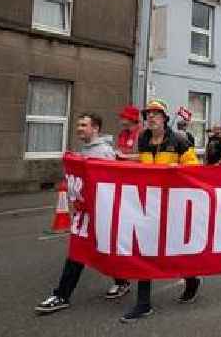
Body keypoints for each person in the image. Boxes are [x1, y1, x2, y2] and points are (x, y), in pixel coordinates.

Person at [35, 113, 130, 315]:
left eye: (83, 125)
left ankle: (62, 295)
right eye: (78, 124)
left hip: (99, 214)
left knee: (86, 252)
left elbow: (111, 183)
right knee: (83, 251)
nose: (79, 128)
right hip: (85, 214)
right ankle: (119, 282)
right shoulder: (85, 150)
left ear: (95, 128)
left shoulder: (103, 152)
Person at [124, 99, 201, 322]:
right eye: (148, 114)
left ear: (165, 118)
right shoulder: (144, 138)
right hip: (150, 203)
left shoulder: (179, 139)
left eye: (156, 114)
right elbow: (145, 164)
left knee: (175, 249)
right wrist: (124, 160)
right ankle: (143, 303)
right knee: (145, 248)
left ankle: (192, 279)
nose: (151, 117)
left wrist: (179, 168)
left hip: (174, 204)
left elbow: (195, 166)